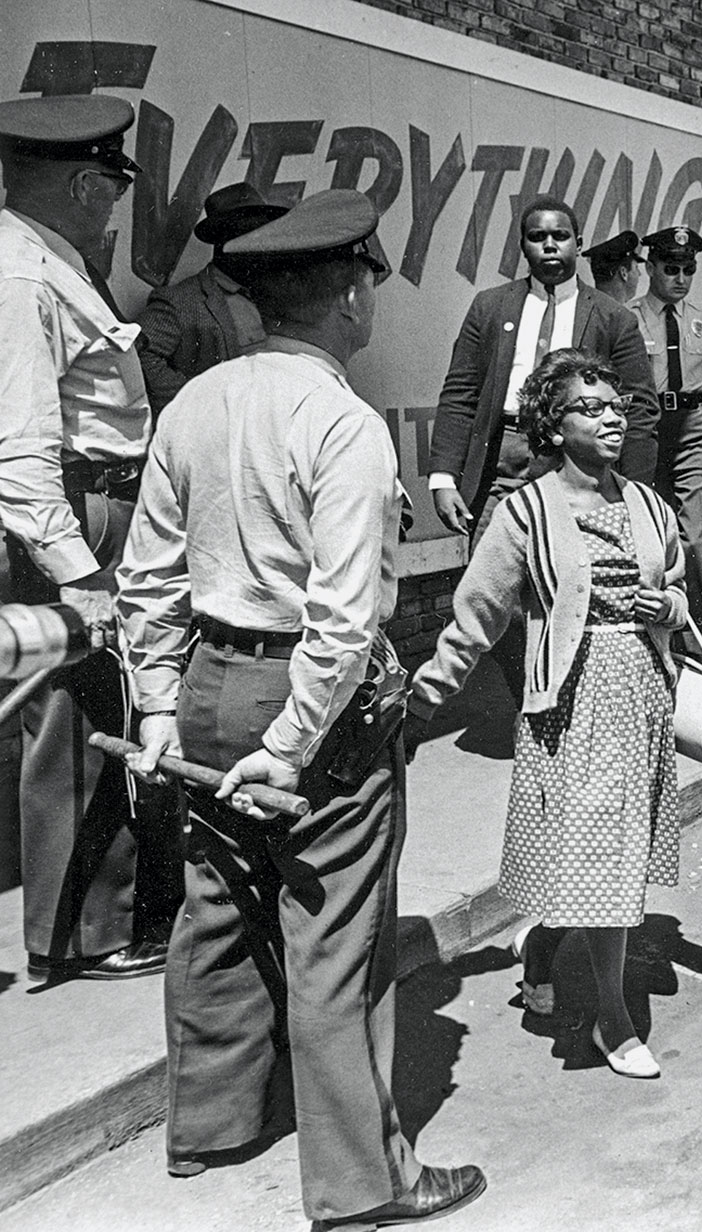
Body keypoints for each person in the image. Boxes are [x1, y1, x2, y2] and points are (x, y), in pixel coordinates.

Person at [116, 189, 485, 1228]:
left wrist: (153, 711)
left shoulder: (192, 404)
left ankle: (215, 1124)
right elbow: (343, 620)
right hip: (306, 707)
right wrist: (290, 746)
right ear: (354, 294)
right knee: (337, 938)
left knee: (218, 903)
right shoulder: (343, 422)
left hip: (204, 683)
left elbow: (145, 579)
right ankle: (369, 1180)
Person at [410, 348, 688, 1080]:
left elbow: (679, 587)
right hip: (571, 703)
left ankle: (540, 950)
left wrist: (672, 607)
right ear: (552, 425)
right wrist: (423, 699)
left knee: (610, 856)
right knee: (597, 856)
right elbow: (477, 613)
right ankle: (613, 1016)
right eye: (590, 409)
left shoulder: (650, 505)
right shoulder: (524, 512)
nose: (611, 419)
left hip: (642, 698)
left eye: (616, 407)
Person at [0, 93, 176, 983]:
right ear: (80, 182)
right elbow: (19, 447)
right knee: (74, 720)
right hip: (66, 516)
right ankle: (85, 936)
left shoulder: (40, 259)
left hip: (91, 506)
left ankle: (98, 915)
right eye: (110, 186)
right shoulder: (24, 274)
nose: (114, 204)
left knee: (93, 707)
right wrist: (75, 572)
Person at [427, 195, 657, 696]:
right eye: (537, 237)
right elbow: (461, 391)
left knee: (574, 582)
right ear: (523, 245)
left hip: (577, 464)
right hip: (504, 461)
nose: (549, 245)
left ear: (577, 243)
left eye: (560, 236)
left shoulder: (613, 317)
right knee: (494, 585)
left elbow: (639, 406)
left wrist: (633, 492)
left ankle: (567, 698)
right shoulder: (491, 307)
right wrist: (443, 476)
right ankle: (530, 697)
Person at [631, 225, 702, 647]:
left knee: (697, 543)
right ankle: (657, 641)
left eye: (688, 269)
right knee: (651, 541)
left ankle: (699, 644)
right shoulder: (628, 319)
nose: (680, 277)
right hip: (646, 432)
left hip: (696, 430)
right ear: (650, 268)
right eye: (671, 268)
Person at [133, 182, 284, 414]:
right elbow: (137, 354)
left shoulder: (276, 294)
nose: (260, 247)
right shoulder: (179, 301)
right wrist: (200, 403)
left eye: (262, 236)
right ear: (222, 242)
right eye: (246, 236)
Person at [582, 227, 643, 305]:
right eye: (636, 268)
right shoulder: (624, 316)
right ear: (623, 273)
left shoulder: (584, 311)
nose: (639, 273)